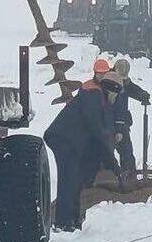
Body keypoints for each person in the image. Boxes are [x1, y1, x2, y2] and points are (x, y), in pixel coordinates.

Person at [44, 60, 123, 231]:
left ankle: (73, 220)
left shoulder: (100, 98)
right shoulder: (93, 95)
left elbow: (103, 135)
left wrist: (109, 161)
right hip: (63, 139)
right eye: (115, 95)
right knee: (69, 179)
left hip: (74, 142)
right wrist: (113, 163)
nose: (115, 98)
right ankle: (63, 223)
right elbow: (96, 129)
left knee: (77, 179)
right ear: (112, 89)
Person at [109, 59, 151, 179]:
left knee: (127, 152)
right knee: (105, 152)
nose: (122, 80)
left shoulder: (125, 82)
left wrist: (142, 94)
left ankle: (130, 178)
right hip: (108, 124)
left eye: (124, 78)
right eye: (120, 77)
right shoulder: (107, 82)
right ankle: (103, 180)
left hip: (122, 124)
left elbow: (132, 89)